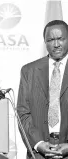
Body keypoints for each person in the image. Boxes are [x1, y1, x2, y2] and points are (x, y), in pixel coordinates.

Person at [17, 20, 68, 159]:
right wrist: (38, 143)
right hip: (38, 154)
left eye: (60, 39)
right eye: (50, 40)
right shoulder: (29, 71)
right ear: (44, 42)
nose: (56, 44)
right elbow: (23, 112)